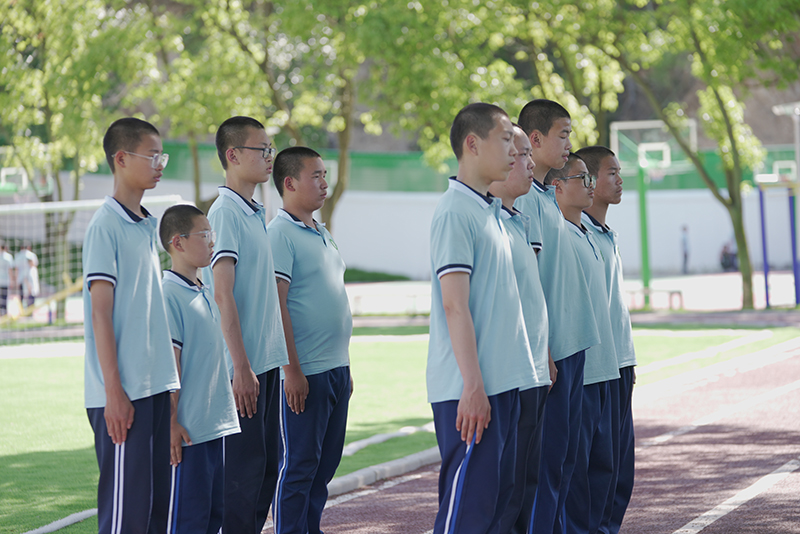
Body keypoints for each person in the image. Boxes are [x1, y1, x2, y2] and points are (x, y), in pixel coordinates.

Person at [428, 102, 536, 534]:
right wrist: (472, 385)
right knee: (468, 515)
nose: (514, 150)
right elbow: (454, 305)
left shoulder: (491, 212)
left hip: (504, 385)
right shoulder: (455, 211)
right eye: (506, 139)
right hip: (472, 391)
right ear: (472, 144)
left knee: (497, 513)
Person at [83, 117, 179, 534]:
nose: (160, 165)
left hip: (154, 389)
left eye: (163, 157)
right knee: (127, 517)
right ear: (121, 159)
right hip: (124, 394)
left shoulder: (145, 224)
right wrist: (114, 393)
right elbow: (100, 314)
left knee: (156, 512)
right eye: (152, 156)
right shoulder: (105, 226)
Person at [515, 99, 600, 534]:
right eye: (563, 135)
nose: (569, 143)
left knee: (567, 462)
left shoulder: (548, 198)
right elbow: (529, 282)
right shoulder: (526, 201)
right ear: (535, 139)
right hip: (552, 355)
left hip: (573, 347)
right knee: (546, 466)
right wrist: (544, 349)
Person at [204, 116, 289, 534]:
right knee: (243, 475)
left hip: (266, 363)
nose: (270, 157)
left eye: (271, 149)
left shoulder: (254, 211)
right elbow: (223, 294)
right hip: (243, 367)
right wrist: (239, 366)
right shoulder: (225, 213)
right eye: (262, 149)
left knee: (267, 467)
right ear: (233, 155)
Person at [268, 147, 354, 534]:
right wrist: (292, 371)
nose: (324, 183)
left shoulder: (323, 232)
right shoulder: (279, 234)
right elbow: (277, 305)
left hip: (336, 368)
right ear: (289, 183)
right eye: (315, 176)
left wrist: (345, 366)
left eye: (325, 175)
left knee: (324, 467)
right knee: (299, 466)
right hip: (305, 372)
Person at [547, 153, 619, 534]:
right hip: (580, 371)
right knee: (575, 475)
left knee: (606, 471)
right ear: (557, 187)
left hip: (606, 368)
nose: (590, 186)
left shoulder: (589, 233)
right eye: (583, 178)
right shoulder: (558, 234)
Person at [159, 204, 240, 534]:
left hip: (213, 427)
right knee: (188, 522)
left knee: (212, 519)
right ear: (178, 242)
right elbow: (170, 366)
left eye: (211, 233)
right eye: (204, 234)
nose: (212, 241)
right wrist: (171, 423)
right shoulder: (169, 295)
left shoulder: (202, 291)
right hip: (188, 434)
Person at [487, 125, 551, 534]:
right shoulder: (482, 220)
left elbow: (532, 297)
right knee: (501, 487)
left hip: (532, 369)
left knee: (526, 480)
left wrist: (544, 355)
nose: (528, 164)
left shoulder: (518, 221)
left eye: (528, 154)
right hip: (504, 373)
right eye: (520, 155)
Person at [577, 145, 637, 534]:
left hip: (620, 363)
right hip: (593, 368)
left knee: (620, 469)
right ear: (589, 180)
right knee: (595, 468)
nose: (619, 180)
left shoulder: (607, 233)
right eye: (611, 173)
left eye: (619, 172)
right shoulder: (576, 232)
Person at [14, 240, 39, 307]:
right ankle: (29, 309)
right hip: (28, 278)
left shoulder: (18, 255)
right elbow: (34, 266)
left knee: (22, 296)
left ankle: (24, 308)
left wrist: (16, 280)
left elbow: (16, 269)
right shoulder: (31, 255)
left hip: (21, 278)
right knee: (30, 295)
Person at [0, 240, 13, 315]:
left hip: (2, 281)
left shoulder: (8, 257)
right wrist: (12, 281)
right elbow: (10, 270)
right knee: (5, 297)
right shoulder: (8, 257)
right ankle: (4, 313)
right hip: (5, 281)